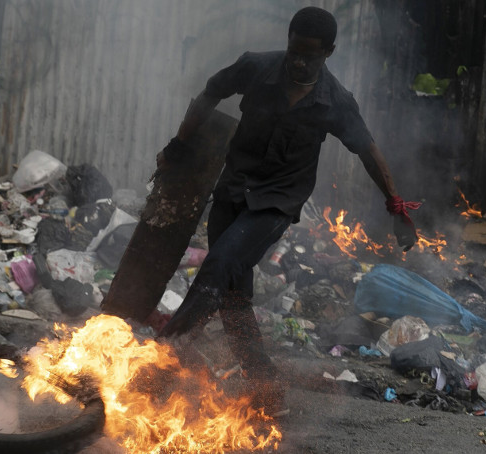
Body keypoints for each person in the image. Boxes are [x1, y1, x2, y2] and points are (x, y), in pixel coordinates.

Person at [156, 6, 420, 412]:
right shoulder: (256, 68)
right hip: (233, 191)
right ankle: (267, 389)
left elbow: (368, 151)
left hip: (276, 202)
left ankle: (165, 352)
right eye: (293, 51)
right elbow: (211, 90)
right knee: (232, 300)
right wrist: (179, 144)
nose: (298, 61)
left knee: (220, 263)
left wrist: (396, 207)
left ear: (328, 52)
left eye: (309, 56)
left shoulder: (335, 102)